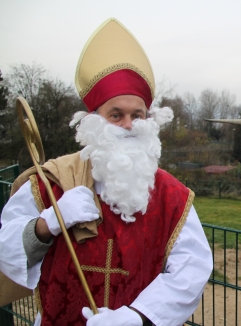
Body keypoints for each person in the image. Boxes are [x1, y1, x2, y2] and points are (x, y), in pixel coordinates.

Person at [0, 18, 213, 326]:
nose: (128, 125)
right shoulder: (51, 183)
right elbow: (5, 252)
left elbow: (191, 270)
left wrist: (137, 317)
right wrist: (47, 223)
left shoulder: (172, 197)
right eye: (116, 115)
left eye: (136, 115)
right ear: (93, 120)